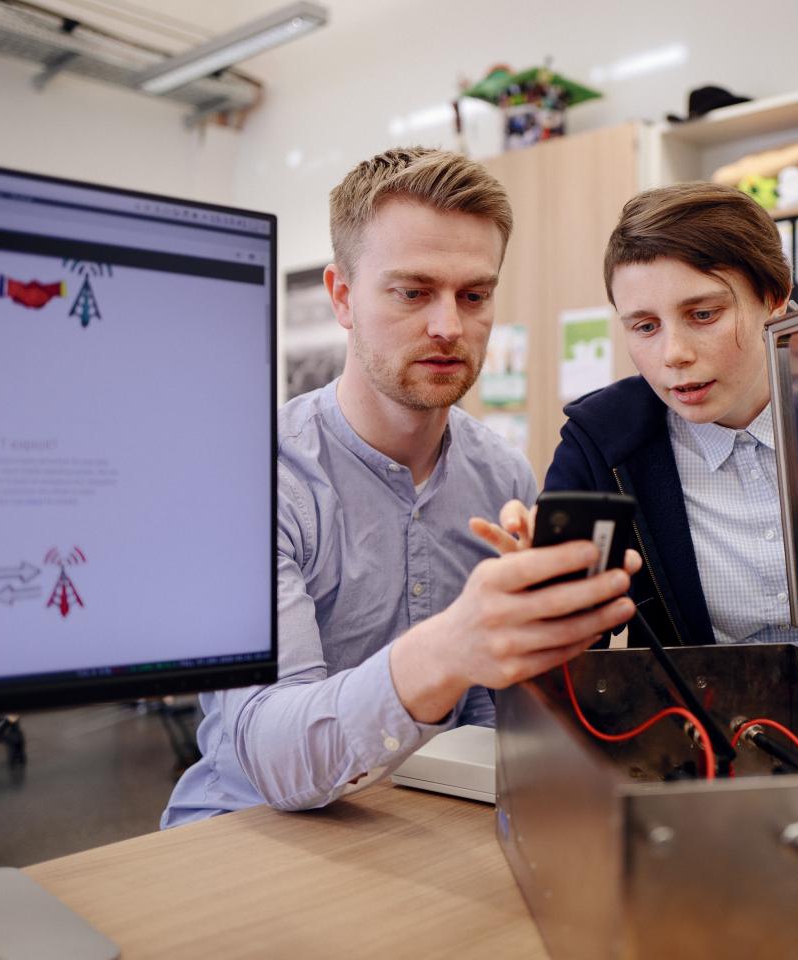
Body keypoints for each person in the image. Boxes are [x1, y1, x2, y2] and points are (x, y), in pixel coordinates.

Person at [163, 147, 639, 825]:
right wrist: (450, 647)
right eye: (412, 292)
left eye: (474, 295)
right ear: (342, 297)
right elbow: (274, 757)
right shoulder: (249, 479)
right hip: (249, 833)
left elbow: (491, 728)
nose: (450, 325)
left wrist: (552, 645)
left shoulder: (502, 476)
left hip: (424, 823)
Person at [476, 182, 798, 664]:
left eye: (703, 314)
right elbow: (567, 663)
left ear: (774, 298)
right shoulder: (602, 441)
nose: (673, 355)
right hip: (703, 732)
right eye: (645, 327)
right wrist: (542, 605)